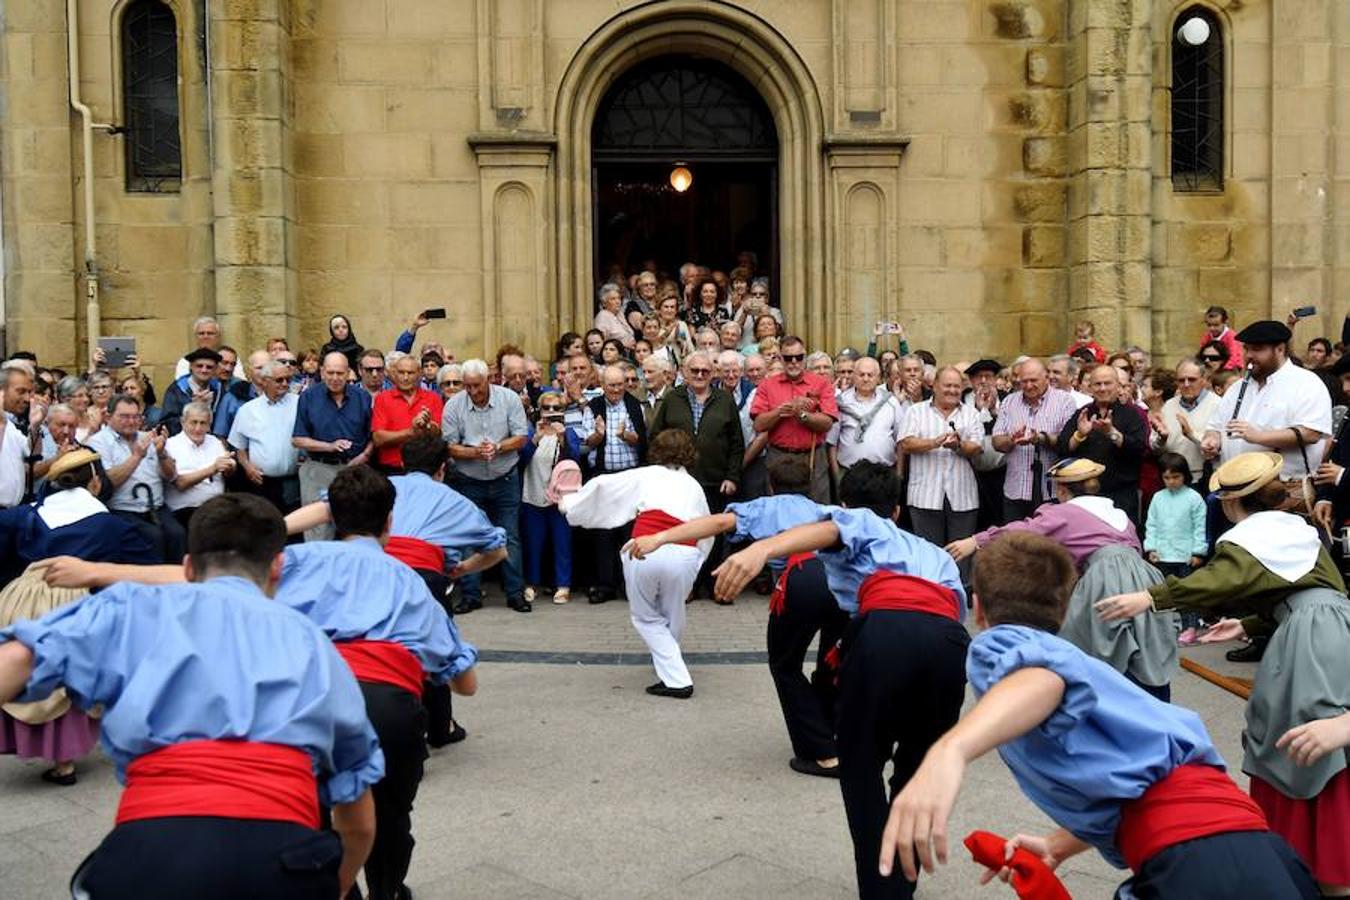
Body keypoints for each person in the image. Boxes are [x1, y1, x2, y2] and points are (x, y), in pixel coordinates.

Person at [879, 530, 1318, 900]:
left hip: (1193, 861)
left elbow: (1042, 680)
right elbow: (1154, 789)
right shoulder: (1089, 668)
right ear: (1067, 608)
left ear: (978, 608)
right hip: (1260, 850)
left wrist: (950, 751)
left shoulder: (1005, 643)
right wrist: (1060, 845)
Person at [3, 493, 382, 898]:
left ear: (186, 567)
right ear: (277, 567)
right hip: (281, 858)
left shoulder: (130, 608)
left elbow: (19, 658)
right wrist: (337, 886)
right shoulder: (314, 641)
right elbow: (358, 819)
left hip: (150, 852)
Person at [711, 462, 968, 900]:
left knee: (862, 767)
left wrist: (760, 551)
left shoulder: (862, 520)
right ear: (900, 510)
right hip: (948, 644)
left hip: (886, 631)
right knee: (915, 772)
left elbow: (830, 531)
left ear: (845, 504)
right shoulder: (936, 554)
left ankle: (883, 890)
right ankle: (900, 884)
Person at [1098, 451, 1350, 894]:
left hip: (1308, 644)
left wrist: (1150, 598)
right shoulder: (1297, 531)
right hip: (1333, 630)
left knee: (1303, 743)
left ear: (1232, 504)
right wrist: (1250, 623)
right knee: (1319, 741)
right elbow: (1313, 592)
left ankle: (1316, 861)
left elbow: (1218, 581)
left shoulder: (1249, 542)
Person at [626, 453, 848, 776]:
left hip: (803, 578)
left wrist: (659, 537)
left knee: (785, 666)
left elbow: (717, 523)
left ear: (771, 486)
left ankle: (824, 753)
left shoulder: (767, 507)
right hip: (844, 583)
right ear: (809, 486)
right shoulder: (825, 510)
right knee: (832, 660)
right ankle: (837, 733)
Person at [284, 437, 504, 754]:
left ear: (402, 462)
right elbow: (496, 550)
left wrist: (273, 529)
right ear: (443, 468)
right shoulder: (455, 501)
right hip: (422, 577)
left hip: (364, 575)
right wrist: (461, 570)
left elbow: (322, 510)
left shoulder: (376, 493)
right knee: (428, 650)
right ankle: (439, 728)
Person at [950, 457, 1177, 700]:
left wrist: (975, 541)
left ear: (1062, 488)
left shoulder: (1065, 513)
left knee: (1099, 649)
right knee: (1148, 645)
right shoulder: (1119, 513)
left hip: (1104, 579)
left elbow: (1023, 530)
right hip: (1145, 577)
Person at [0, 449, 157, 786]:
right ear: (96, 482)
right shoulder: (112, 526)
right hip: (74, 604)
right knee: (69, 682)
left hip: (21, 601)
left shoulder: (25, 515)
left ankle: (40, 748)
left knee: (26, 673)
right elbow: (146, 567)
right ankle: (64, 761)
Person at [560, 430, 711, 697]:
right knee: (673, 612)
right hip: (684, 553)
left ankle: (677, 679)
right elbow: (706, 531)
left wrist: (570, 503)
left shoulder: (647, 474)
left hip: (645, 548)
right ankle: (669, 666)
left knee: (645, 617)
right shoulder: (695, 487)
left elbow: (604, 486)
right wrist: (695, 568)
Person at [649, 352, 744, 603]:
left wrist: (732, 476)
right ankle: (686, 585)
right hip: (679, 482)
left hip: (715, 481)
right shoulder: (672, 398)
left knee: (713, 536)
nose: (700, 375)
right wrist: (662, 474)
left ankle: (714, 585)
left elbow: (737, 443)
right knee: (682, 534)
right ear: (684, 371)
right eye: (695, 371)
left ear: (713, 373)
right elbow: (657, 437)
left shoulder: (724, 400)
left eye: (705, 371)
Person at [1200, 320, 1332, 492]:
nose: (1248, 355)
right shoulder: (1236, 388)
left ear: (1280, 349)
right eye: (1246, 348)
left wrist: (1258, 436)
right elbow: (1215, 427)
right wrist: (1213, 440)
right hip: (1233, 486)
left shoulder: (1307, 383)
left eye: (1257, 349)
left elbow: (1311, 433)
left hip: (1284, 490)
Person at [442, 358, 530, 613]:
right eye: (467, 386)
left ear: (489, 380)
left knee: (510, 536)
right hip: (469, 479)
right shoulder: (453, 406)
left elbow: (521, 437)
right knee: (469, 536)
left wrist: (499, 447)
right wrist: (475, 453)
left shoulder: (509, 399)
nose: (472, 392)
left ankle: (515, 593)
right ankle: (470, 595)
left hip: (505, 477)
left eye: (476, 386)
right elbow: (448, 446)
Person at [86, 393, 185, 562]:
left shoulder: (147, 437)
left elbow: (172, 476)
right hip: (123, 509)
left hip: (155, 506)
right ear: (109, 417)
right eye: (124, 417)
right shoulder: (98, 442)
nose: (131, 422)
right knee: (152, 538)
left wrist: (162, 453)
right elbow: (109, 481)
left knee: (177, 534)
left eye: (136, 417)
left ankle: (177, 583)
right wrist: (136, 456)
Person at [292, 352, 373, 541]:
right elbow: (298, 439)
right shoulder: (308, 397)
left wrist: (365, 456)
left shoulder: (362, 397)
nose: (335, 378)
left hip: (354, 470)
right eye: (330, 373)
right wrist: (329, 446)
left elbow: (373, 435)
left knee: (356, 528)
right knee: (317, 531)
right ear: (321, 372)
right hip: (318, 469)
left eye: (340, 373)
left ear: (348, 373)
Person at [750, 335, 839, 503]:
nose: (793, 362)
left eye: (798, 357)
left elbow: (827, 423)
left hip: (812, 457)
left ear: (804, 357)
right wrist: (783, 410)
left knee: (816, 512)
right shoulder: (767, 385)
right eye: (788, 358)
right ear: (780, 359)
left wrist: (802, 415)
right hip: (779, 457)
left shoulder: (820, 383)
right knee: (778, 511)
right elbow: (759, 424)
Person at [1056, 364, 1148, 521]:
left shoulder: (1132, 414)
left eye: (1107, 383)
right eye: (1097, 384)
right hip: (1085, 495)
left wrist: (1112, 433)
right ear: (1090, 387)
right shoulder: (1083, 413)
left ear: (1118, 386)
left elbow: (1139, 448)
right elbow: (1063, 448)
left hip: (1121, 495)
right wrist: (1079, 435)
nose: (1102, 388)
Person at [991, 358, 1077, 523]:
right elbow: (997, 441)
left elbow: (1068, 442)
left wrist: (1040, 438)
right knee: (1014, 543)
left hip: (1052, 490)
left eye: (1034, 380)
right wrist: (1012, 440)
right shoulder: (1009, 402)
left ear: (1046, 377)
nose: (1029, 386)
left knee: (1048, 545)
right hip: (1016, 489)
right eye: (1024, 381)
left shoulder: (1065, 401)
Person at [521, 389, 583, 605]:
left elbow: (575, 459)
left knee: (562, 543)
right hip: (533, 495)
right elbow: (521, 460)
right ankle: (531, 583)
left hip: (561, 499)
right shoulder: (531, 432)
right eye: (546, 408)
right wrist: (536, 438)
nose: (550, 412)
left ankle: (563, 585)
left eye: (556, 408)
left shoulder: (569, 433)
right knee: (533, 544)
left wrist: (563, 437)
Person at [1143, 452, 1208, 645]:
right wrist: (1151, 547)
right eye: (1166, 477)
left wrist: (1198, 551)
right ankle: (1168, 626)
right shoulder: (1158, 497)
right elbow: (1151, 524)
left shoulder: (1194, 498)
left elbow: (1200, 527)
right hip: (1163, 554)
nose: (1171, 481)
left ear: (1185, 475)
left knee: (1187, 593)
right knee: (1164, 593)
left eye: (1176, 477)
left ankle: (1190, 627)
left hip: (1186, 556)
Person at [228, 359, 302, 514]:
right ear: (264, 381)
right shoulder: (248, 410)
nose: (284, 384)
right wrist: (248, 468)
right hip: (262, 483)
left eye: (287, 379)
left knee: (294, 527)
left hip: (293, 482)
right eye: (279, 380)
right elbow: (240, 447)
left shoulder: (300, 403)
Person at [162, 401, 235, 529]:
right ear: (183, 422)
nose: (198, 428)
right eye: (193, 422)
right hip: (185, 511)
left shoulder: (215, 442)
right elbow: (180, 483)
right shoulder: (170, 446)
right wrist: (212, 469)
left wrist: (230, 467)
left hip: (216, 506)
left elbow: (226, 471)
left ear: (209, 426)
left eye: (203, 423)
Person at [1151, 358, 1220, 483]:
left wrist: (1191, 435)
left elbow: (1220, 448)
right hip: (1172, 480)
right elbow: (1156, 449)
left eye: (1192, 379)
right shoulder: (1169, 406)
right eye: (1181, 380)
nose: (1186, 384)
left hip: (1205, 479)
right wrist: (1161, 439)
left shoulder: (1218, 405)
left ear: (1203, 380)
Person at [372, 354, 444, 473]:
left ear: (420, 374)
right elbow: (378, 439)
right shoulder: (383, 399)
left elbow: (438, 434)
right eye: (401, 372)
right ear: (394, 373)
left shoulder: (433, 398)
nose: (405, 378)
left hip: (425, 468)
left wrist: (426, 426)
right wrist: (411, 432)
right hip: (391, 469)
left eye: (410, 373)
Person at [832, 357, 904, 475]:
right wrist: (836, 476)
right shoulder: (841, 402)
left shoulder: (891, 402)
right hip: (849, 473)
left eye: (870, 375)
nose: (865, 379)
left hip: (884, 473)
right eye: (861, 375)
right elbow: (832, 443)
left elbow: (900, 441)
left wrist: (899, 473)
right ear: (854, 376)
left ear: (878, 378)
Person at [159, 347, 224, 436]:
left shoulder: (219, 389)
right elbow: (167, 424)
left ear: (215, 369)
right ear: (191, 366)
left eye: (209, 367)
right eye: (199, 366)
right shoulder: (176, 389)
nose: (204, 370)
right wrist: (192, 407)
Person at [171, 315, 246, 380]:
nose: (205, 336)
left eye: (210, 333)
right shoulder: (185, 362)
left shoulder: (230, 359)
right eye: (201, 333)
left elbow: (241, 385)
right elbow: (180, 389)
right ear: (196, 337)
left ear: (218, 336)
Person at [1201, 304, 1245, 371]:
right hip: (1213, 367)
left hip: (1232, 368)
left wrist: (1221, 370)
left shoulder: (1231, 336)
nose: (1212, 328)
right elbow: (1201, 353)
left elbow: (1234, 357)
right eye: (1209, 325)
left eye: (1216, 325)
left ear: (1225, 323)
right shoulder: (1207, 336)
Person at [594, 282, 635, 349]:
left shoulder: (620, 314)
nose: (618, 301)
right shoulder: (602, 317)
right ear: (604, 303)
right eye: (613, 299)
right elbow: (601, 343)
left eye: (618, 298)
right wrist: (623, 345)